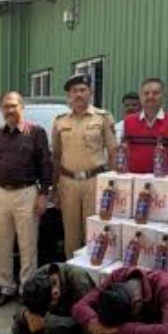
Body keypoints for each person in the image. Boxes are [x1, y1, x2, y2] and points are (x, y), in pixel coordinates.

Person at [0, 91, 52, 308]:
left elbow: (46, 165)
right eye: (5, 106)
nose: (9, 110)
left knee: (28, 245)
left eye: (13, 105)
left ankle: (27, 290)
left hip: (26, 193)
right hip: (0, 194)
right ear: (1, 110)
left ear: (22, 107)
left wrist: (44, 194)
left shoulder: (36, 133)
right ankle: (6, 287)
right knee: (1, 244)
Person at [51, 74, 117, 258]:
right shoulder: (60, 121)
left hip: (94, 182)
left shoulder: (103, 118)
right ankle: (72, 271)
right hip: (68, 183)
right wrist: (54, 187)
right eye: (74, 91)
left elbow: (113, 153)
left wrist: (112, 186)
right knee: (71, 234)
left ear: (90, 93)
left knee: (94, 231)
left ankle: (93, 270)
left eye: (83, 90)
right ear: (69, 96)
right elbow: (55, 157)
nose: (79, 94)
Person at [123, 77, 168, 175]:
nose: (150, 96)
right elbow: (122, 153)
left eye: (155, 93)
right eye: (146, 93)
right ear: (140, 97)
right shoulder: (127, 122)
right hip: (134, 180)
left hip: (165, 181)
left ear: (163, 96)